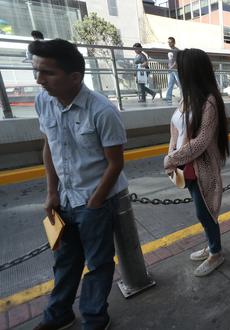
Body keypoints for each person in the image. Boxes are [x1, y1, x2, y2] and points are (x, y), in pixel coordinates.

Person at [30, 39, 127, 330]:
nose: (39, 79)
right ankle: (59, 315)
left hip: (94, 201)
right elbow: (49, 146)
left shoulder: (102, 111)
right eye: (37, 71)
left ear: (75, 77)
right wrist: (51, 193)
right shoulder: (43, 100)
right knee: (64, 261)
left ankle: (95, 318)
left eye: (48, 73)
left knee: (97, 264)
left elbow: (115, 163)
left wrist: (95, 201)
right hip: (63, 199)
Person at [164, 48, 230, 276]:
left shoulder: (209, 101)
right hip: (186, 167)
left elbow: (202, 141)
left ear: (191, 72)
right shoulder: (187, 96)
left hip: (201, 167)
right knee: (201, 211)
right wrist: (171, 153)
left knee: (206, 212)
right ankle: (211, 246)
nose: (176, 72)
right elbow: (175, 128)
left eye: (180, 69)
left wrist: (171, 158)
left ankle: (216, 252)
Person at [164, 37, 180, 103]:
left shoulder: (176, 50)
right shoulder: (170, 50)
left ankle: (183, 97)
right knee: (170, 84)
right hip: (171, 69)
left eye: (170, 42)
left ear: (174, 42)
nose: (169, 43)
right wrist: (169, 67)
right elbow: (170, 60)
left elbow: (177, 61)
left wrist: (172, 67)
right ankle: (168, 97)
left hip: (176, 70)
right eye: (168, 42)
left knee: (180, 84)